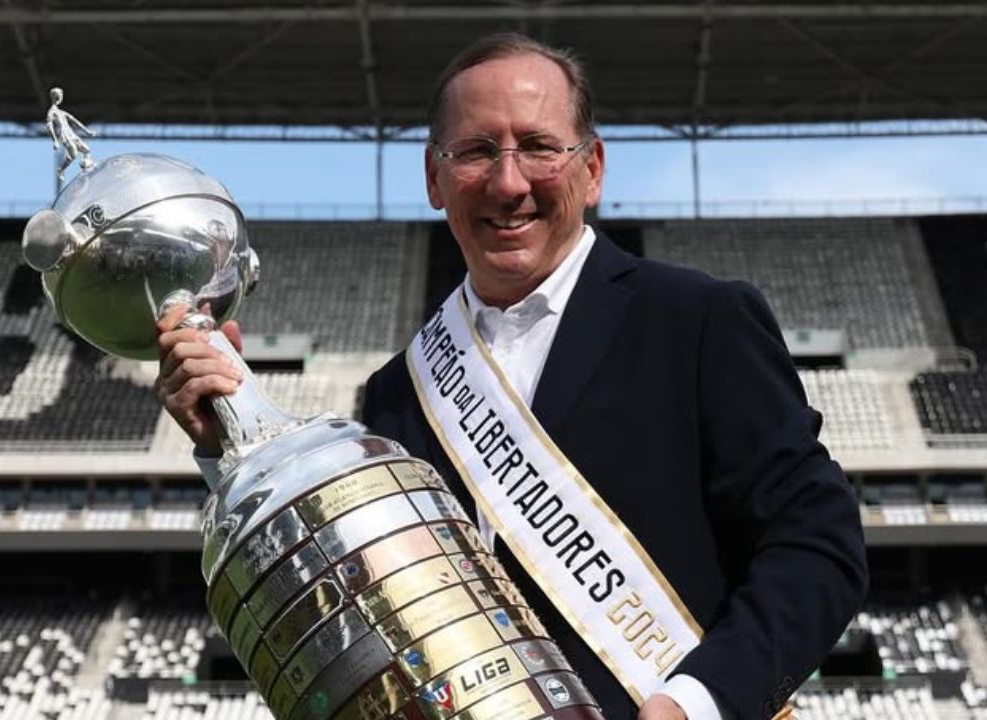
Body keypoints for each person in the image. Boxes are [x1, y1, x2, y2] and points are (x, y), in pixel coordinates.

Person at [156, 32, 867, 720]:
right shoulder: (398, 391)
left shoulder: (698, 321)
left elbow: (817, 545)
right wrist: (232, 439)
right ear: (435, 179)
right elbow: (358, 597)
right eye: (475, 152)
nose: (507, 182)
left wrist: (698, 702)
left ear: (592, 168)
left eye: (537, 146)